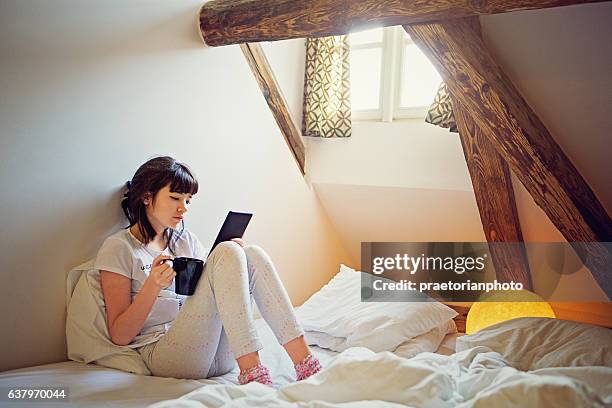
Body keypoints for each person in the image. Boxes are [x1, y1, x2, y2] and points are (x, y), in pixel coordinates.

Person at [94, 156, 322, 386]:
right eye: (174, 198)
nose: (183, 208)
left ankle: (307, 365)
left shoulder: (185, 240)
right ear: (146, 197)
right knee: (227, 251)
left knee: (251, 253)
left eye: (188, 200)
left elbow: (219, 292)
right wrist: (152, 286)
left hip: (218, 358)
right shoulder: (120, 247)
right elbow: (120, 336)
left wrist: (236, 257)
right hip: (166, 356)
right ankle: (253, 375)